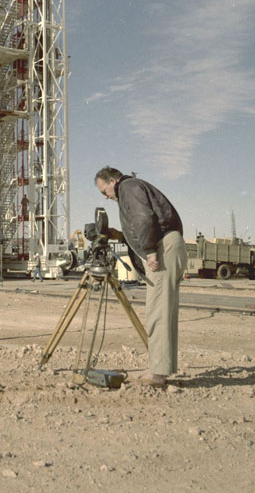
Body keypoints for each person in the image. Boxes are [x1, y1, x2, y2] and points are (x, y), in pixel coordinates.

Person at [94, 166, 187, 388]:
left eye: (103, 191)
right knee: (164, 312)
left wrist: (150, 252)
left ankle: (157, 374)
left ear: (113, 180)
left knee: (158, 312)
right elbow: (142, 222)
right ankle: (162, 368)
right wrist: (118, 235)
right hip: (168, 244)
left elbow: (143, 218)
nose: (105, 197)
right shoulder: (132, 188)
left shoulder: (129, 188)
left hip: (163, 248)